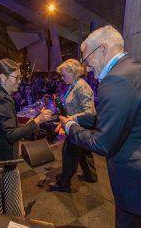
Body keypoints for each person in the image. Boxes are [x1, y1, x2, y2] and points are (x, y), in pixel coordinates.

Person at [59, 26, 141, 227]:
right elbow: (122, 118)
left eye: (87, 60)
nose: (86, 68)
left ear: (103, 49)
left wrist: (71, 128)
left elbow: (103, 144)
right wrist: (77, 120)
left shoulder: (115, 80)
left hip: (139, 175)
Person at [0, 59, 52, 216]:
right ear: (3, 78)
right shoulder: (1, 99)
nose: (20, 81)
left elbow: (5, 129)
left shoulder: (1, 96)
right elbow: (11, 135)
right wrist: (37, 121)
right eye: (16, 78)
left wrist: (31, 123)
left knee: (5, 205)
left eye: (20, 77)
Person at [49, 59, 97, 193]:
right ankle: (91, 176)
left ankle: (64, 184)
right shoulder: (74, 84)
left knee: (69, 153)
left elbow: (90, 113)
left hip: (77, 126)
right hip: (75, 125)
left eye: (64, 75)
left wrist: (70, 118)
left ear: (74, 72)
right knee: (83, 152)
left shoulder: (81, 86)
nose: (62, 78)